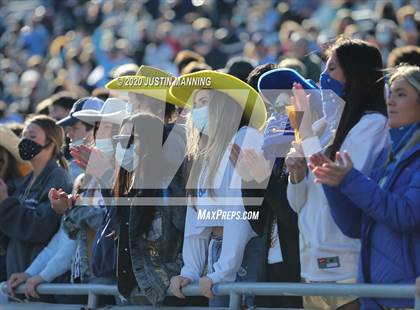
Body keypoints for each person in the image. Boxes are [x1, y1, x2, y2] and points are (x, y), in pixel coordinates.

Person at [285, 38, 389, 310]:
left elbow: (339, 177)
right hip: (310, 266)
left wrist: (304, 134)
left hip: (347, 267)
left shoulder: (373, 124)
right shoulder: (320, 127)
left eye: (332, 69)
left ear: (355, 74)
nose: (323, 77)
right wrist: (295, 175)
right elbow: (297, 204)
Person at [308, 65, 420, 309]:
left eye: (401, 94)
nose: (390, 101)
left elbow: (407, 215)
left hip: (408, 298)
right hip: (374, 296)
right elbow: (356, 226)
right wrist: (334, 184)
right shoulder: (390, 154)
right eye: (390, 93)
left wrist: (350, 180)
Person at [169, 70, 267, 308]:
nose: (196, 111)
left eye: (204, 102)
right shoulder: (203, 153)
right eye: (195, 104)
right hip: (218, 255)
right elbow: (196, 219)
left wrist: (222, 271)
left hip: (242, 255)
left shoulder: (246, 137)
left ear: (224, 105)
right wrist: (190, 270)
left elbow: (240, 212)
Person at [0, 115, 72, 278]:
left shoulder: (57, 177)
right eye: (23, 136)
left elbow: (42, 227)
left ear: (51, 143)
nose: (24, 141)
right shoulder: (23, 182)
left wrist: (5, 202)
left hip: (40, 283)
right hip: (18, 278)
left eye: (32, 136)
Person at [56, 97, 104, 181]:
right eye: (69, 128)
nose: (68, 135)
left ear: (96, 128)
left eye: (75, 128)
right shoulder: (73, 163)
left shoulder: (114, 165)